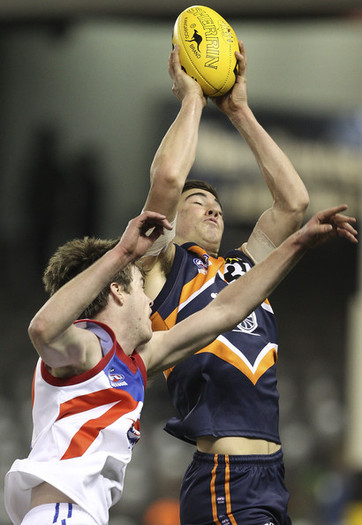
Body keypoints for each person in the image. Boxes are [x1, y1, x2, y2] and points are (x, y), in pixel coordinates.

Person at [4, 206, 356, 525]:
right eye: (141, 288)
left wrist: (297, 244)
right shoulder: (85, 346)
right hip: (62, 514)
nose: (148, 303)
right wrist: (123, 252)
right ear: (116, 291)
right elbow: (42, 328)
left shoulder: (134, 360)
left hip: (84, 514)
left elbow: (225, 311)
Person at [140, 43, 357, 524]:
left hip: (271, 474)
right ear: (172, 220)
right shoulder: (162, 269)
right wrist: (191, 100)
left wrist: (238, 110)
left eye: (215, 203)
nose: (212, 208)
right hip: (225, 474)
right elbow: (169, 179)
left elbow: (293, 201)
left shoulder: (243, 269)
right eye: (198, 202)